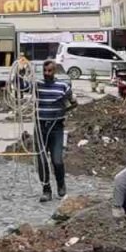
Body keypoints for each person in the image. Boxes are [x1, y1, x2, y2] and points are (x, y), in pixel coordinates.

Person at [33, 60, 75, 202]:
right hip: (40, 127)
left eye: (50, 71)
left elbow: (73, 102)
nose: (46, 74)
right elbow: (21, 87)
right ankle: (46, 190)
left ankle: (61, 185)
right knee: (42, 160)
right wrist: (19, 73)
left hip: (56, 127)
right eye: (45, 71)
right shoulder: (37, 85)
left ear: (54, 71)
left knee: (57, 160)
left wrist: (63, 109)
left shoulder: (63, 86)